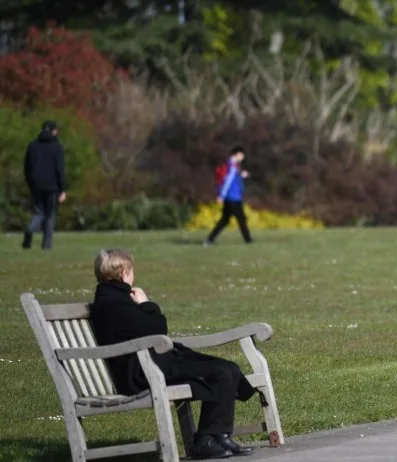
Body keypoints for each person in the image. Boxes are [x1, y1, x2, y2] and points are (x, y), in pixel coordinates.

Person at [89, 249, 256, 459]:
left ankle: (219, 435)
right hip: (143, 372)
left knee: (229, 369)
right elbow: (157, 327)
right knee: (222, 372)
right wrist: (146, 304)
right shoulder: (114, 304)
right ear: (124, 273)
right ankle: (206, 440)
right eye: (131, 271)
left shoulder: (112, 299)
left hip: (153, 363)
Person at [22, 120, 67, 250]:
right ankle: (46, 244)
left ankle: (30, 229)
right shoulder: (56, 147)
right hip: (52, 187)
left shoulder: (32, 146)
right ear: (54, 131)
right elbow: (60, 169)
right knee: (50, 214)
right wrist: (62, 189)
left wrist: (30, 183)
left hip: (36, 185)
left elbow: (27, 168)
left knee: (38, 212)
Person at [205, 146, 252, 246]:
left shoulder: (232, 165)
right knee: (241, 219)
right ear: (237, 154)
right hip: (233, 197)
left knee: (225, 220)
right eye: (242, 155)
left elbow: (234, 178)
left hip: (232, 197)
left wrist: (242, 175)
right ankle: (248, 241)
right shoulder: (232, 166)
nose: (243, 157)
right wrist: (221, 195)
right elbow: (227, 182)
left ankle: (210, 239)